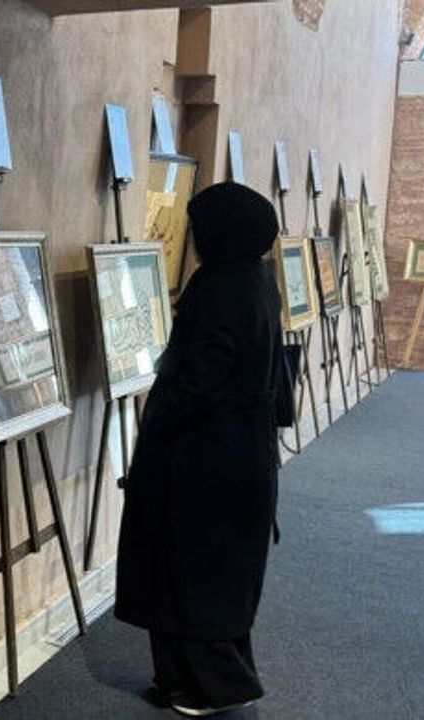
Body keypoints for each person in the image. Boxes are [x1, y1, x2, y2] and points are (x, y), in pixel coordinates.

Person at [114, 181, 286, 717]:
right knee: (208, 571)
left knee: (192, 572)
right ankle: (183, 681)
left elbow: (203, 379)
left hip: (205, 458)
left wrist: (158, 422)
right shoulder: (253, 278)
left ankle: (212, 687)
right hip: (238, 455)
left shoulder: (222, 289)